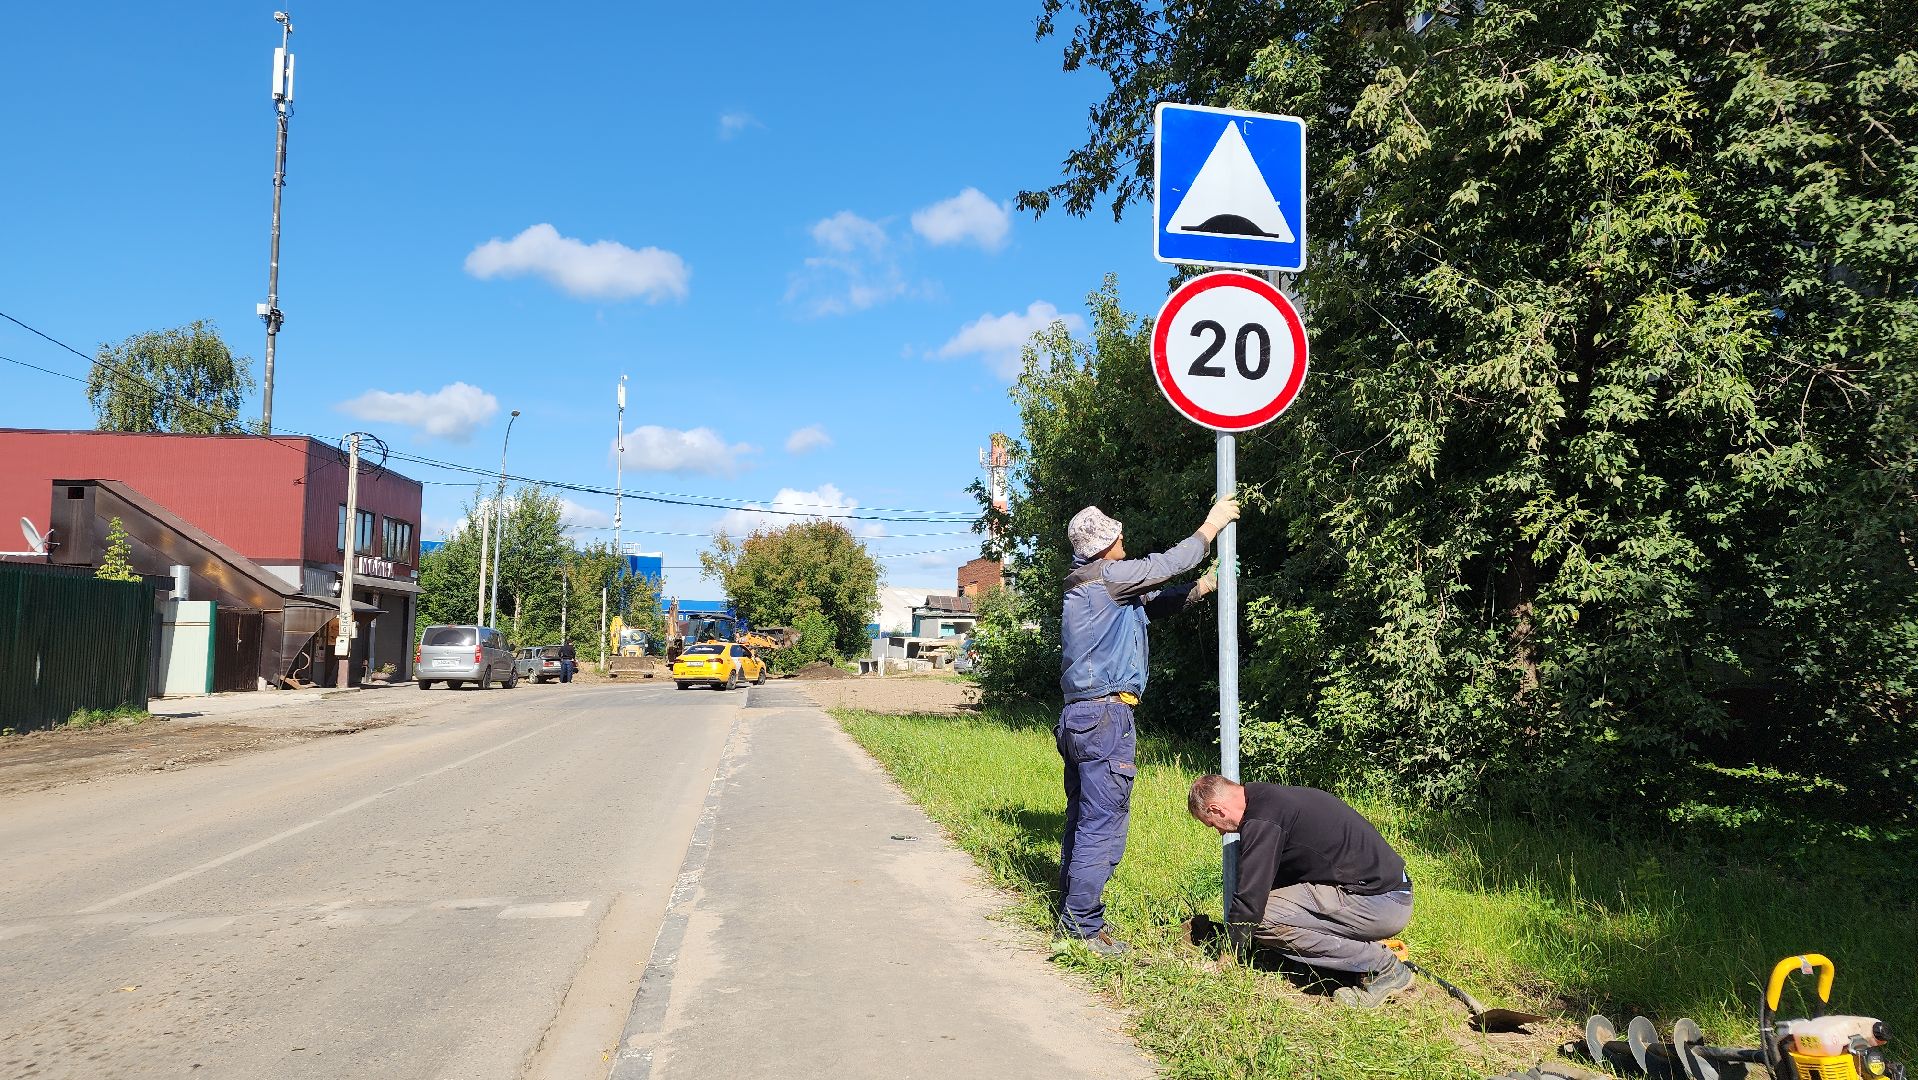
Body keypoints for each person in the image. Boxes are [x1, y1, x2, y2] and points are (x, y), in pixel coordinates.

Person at [1055, 496, 1239, 955]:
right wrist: (1211, 525)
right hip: (1105, 717)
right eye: (1118, 535)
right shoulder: (1109, 578)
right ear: (1105, 545)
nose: (1124, 539)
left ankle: (1074, 911)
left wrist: (1202, 589)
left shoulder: (1089, 588)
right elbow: (1167, 564)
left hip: (1079, 716)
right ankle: (1081, 927)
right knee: (1103, 824)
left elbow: (1151, 605)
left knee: (1083, 820)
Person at [1187, 775, 1415, 1007]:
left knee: (1263, 919)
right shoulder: (1268, 798)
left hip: (1382, 903)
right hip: (1385, 893)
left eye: (1212, 824)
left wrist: (1225, 959)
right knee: (1270, 908)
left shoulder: (1264, 820)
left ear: (1216, 809)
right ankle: (1340, 959)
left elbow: (1250, 904)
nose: (1220, 833)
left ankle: (1385, 967)